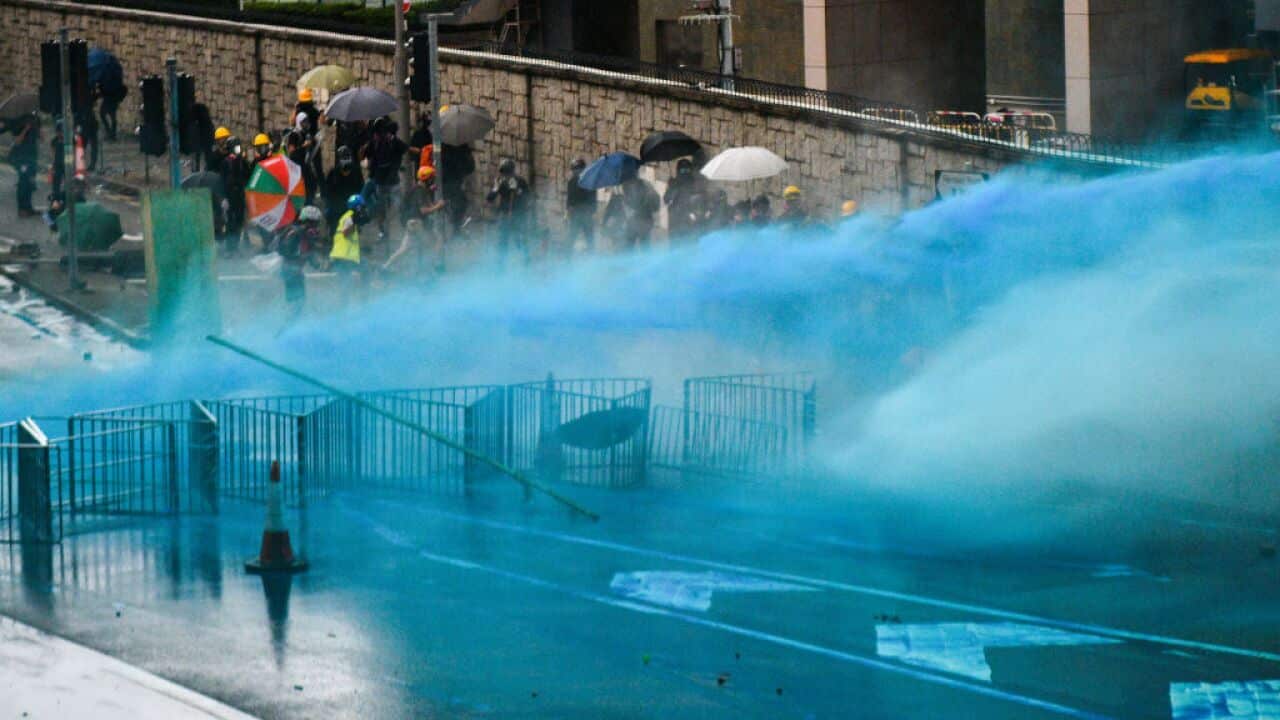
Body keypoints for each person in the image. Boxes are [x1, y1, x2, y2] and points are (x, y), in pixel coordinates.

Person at [362, 117, 409, 242]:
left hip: (392, 182)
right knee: (380, 208)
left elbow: (403, 149)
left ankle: (396, 227)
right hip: (380, 181)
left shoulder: (392, 142)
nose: (378, 135)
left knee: (397, 206)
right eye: (376, 133)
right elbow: (366, 156)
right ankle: (383, 231)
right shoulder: (374, 144)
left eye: (380, 132)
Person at [273, 205, 323, 321]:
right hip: (290, 271)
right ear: (308, 221)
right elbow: (285, 251)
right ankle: (287, 327)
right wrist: (302, 256)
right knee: (296, 303)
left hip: (296, 272)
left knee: (299, 302)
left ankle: (291, 323)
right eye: (315, 223)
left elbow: (309, 252)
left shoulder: (305, 234)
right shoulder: (295, 232)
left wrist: (317, 264)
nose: (316, 226)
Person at [485, 158, 531, 261]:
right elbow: (489, 198)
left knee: (520, 239)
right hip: (505, 216)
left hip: (518, 215)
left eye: (508, 173)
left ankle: (525, 260)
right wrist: (495, 188)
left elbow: (528, 197)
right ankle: (501, 263)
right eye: (504, 173)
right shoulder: (500, 182)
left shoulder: (520, 181)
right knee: (503, 241)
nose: (506, 176)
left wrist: (517, 190)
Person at [211, 130, 248, 255]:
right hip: (230, 196)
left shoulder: (242, 162)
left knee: (239, 221)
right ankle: (229, 248)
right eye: (236, 147)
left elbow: (247, 176)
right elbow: (221, 181)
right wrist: (223, 198)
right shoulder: (225, 162)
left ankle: (235, 247)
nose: (239, 149)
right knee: (230, 222)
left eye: (239, 146)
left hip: (240, 195)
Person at [324, 145, 365, 236]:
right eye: (344, 157)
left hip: (348, 207)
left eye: (347, 157)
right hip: (338, 207)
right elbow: (328, 191)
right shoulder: (334, 173)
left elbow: (360, 189)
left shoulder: (355, 171)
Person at [331, 194, 369, 282]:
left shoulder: (349, 216)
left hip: (344, 256)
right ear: (357, 207)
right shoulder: (350, 216)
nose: (363, 209)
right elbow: (345, 232)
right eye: (362, 207)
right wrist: (354, 222)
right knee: (348, 281)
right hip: (345, 257)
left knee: (346, 282)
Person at [9, 114, 39, 218]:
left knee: (30, 184)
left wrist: (37, 129)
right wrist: (25, 129)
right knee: (23, 184)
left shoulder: (34, 128)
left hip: (31, 159)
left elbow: (42, 139)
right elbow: (17, 141)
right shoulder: (18, 127)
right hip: (21, 160)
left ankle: (28, 208)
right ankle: (21, 209)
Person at [440, 143, 475, 231]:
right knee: (460, 202)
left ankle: (453, 223)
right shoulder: (462, 149)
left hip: (444, 181)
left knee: (456, 202)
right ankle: (456, 225)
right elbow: (470, 167)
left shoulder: (442, 147)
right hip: (454, 182)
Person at [663, 158, 701, 238]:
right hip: (682, 220)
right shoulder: (694, 183)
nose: (685, 173)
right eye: (683, 170)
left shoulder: (692, 184)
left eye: (686, 170)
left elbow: (666, 199)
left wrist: (671, 185)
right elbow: (666, 199)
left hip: (681, 220)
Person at [618, 176, 660, 248]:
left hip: (634, 220)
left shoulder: (628, 185)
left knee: (629, 245)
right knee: (645, 245)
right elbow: (655, 206)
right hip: (647, 220)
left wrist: (623, 199)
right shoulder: (647, 185)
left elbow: (630, 203)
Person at [565, 158, 596, 252]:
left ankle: (591, 255)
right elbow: (569, 199)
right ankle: (568, 255)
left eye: (577, 169)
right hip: (577, 214)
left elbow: (592, 198)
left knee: (588, 238)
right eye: (574, 169)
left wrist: (591, 210)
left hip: (583, 214)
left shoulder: (588, 181)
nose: (575, 171)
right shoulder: (572, 182)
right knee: (573, 238)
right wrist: (567, 212)